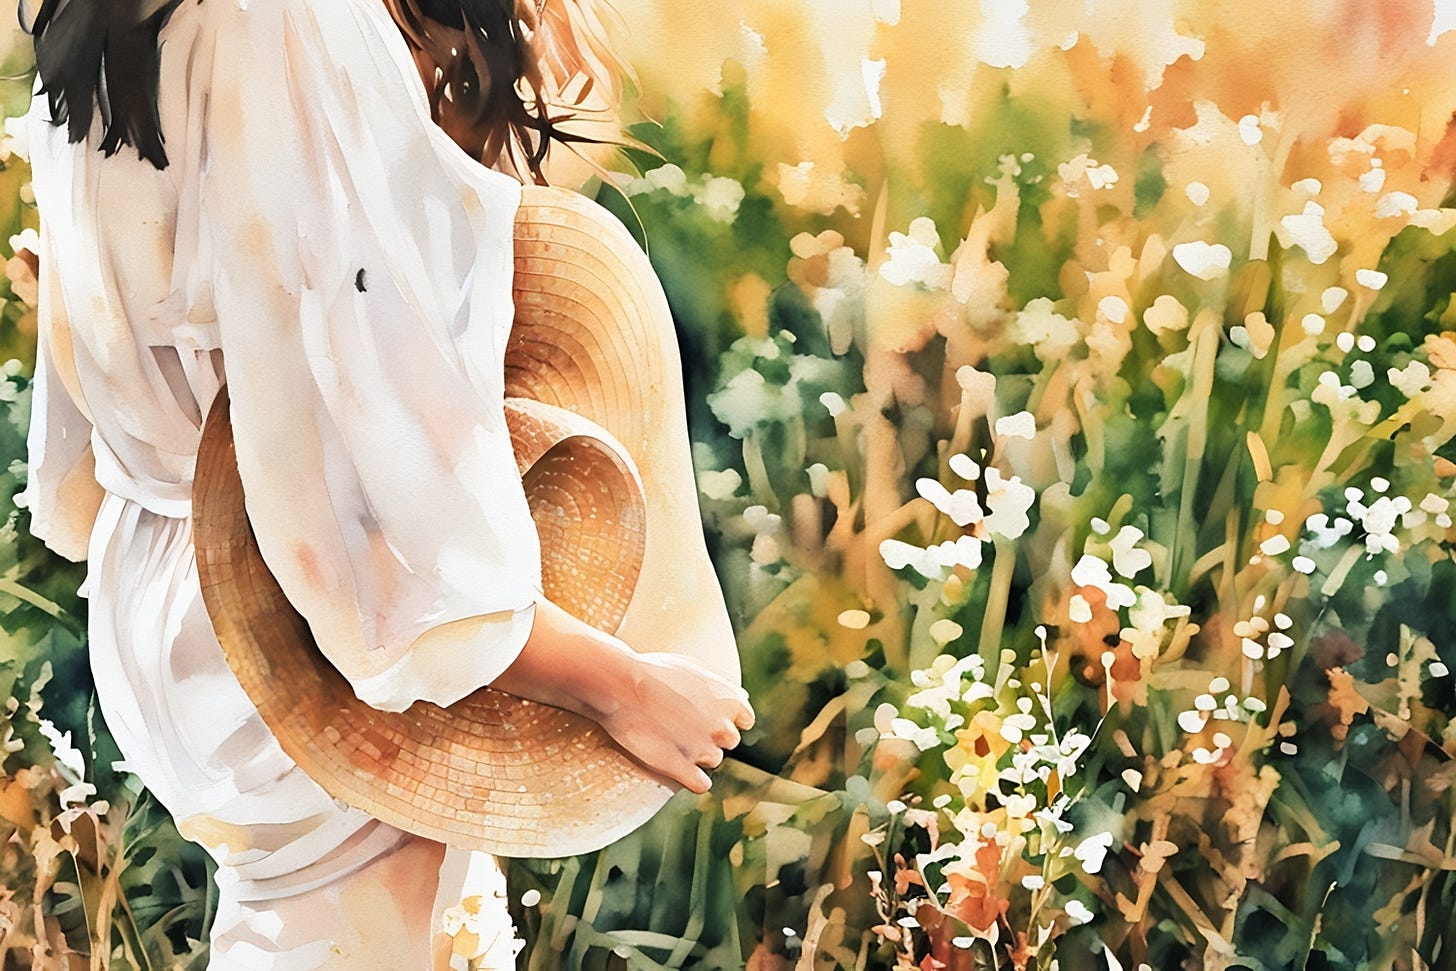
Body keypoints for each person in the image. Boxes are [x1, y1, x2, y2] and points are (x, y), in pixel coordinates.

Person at [17, 0, 753, 966]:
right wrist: (612, 683)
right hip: (298, 601)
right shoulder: (282, 22)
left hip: (169, 574)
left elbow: (98, 365)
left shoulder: (103, 11)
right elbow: (353, 457)